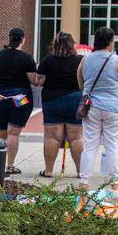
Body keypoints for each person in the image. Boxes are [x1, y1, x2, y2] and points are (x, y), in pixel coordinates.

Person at [78, 27, 118, 190]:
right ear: (110, 42)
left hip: (91, 107)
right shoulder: (117, 60)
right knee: (112, 145)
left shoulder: (85, 60)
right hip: (113, 107)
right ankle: (115, 183)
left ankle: (84, 182)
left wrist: (87, 92)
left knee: (89, 146)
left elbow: (80, 79)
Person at [0, 27, 39, 176]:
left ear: (9, 38)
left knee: (1, 133)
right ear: (23, 39)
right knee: (14, 133)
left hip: (0, 97)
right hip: (20, 97)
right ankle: (10, 166)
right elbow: (33, 80)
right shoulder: (26, 58)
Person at [34, 32, 83, 178]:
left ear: (55, 44)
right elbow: (84, 80)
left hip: (52, 100)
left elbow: (39, 81)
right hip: (75, 99)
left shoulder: (48, 60)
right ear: (72, 44)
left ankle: (48, 171)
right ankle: (80, 172)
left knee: (52, 137)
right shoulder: (81, 60)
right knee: (76, 137)